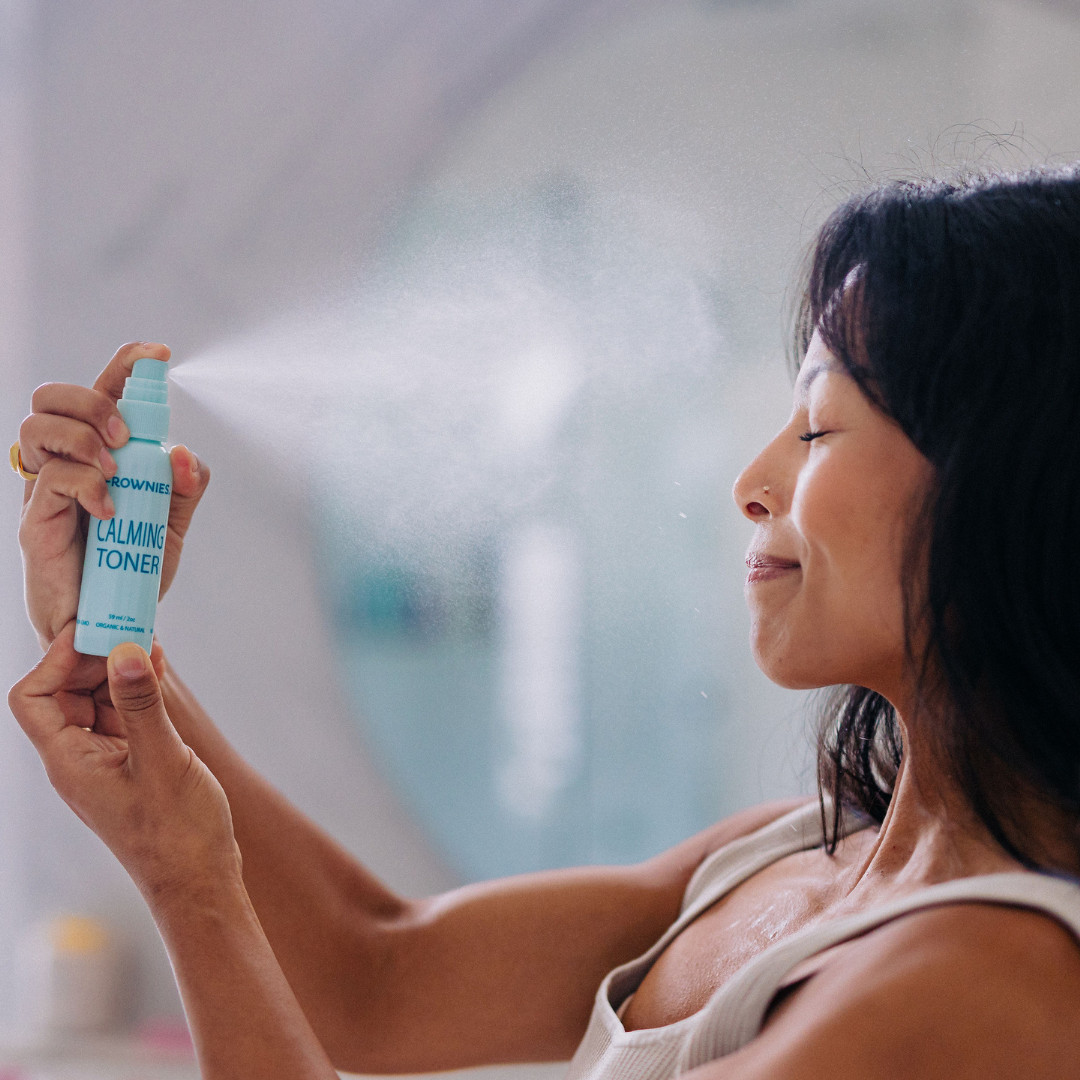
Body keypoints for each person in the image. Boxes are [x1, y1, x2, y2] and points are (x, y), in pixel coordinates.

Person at [9, 165, 1080, 1080]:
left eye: (820, 424)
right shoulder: (800, 853)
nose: (755, 482)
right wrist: (123, 653)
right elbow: (373, 973)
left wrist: (188, 885)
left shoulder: (984, 983)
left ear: (1012, 486)